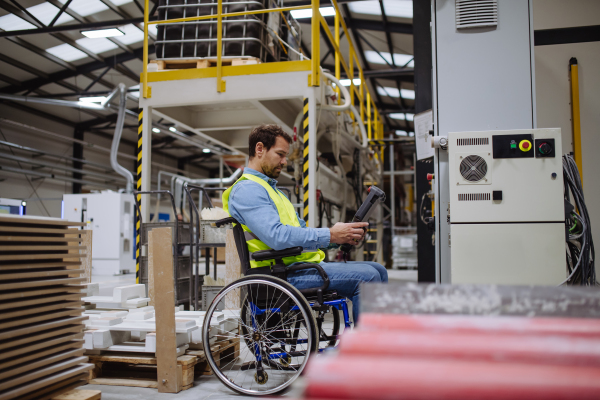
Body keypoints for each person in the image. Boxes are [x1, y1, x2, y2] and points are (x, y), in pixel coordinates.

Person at [222, 124, 387, 324]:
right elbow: (277, 237)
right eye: (280, 154)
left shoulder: (273, 191)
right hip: (280, 275)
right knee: (368, 278)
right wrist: (331, 234)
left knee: (379, 270)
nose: (284, 162)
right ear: (259, 149)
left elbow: (300, 231)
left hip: (297, 267)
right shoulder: (247, 190)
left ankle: (375, 338)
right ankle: (365, 350)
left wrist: (339, 237)